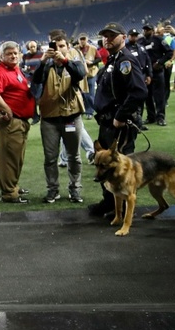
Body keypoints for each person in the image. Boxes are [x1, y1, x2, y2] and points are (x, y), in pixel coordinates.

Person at [87, 22, 147, 217]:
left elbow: (138, 91)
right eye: (105, 36)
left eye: (112, 35)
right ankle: (110, 203)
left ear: (123, 36)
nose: (108, 39)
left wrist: (121, 117)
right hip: (107, 122)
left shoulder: (125, 61)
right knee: (105, 166)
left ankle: (121, 210)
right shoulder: (113, 60)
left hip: (118, 124)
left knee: (120, 169)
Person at [32, 33, 86, 204]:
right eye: (55, 46)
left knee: (74, 156)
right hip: (50, 118)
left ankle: (75, 189)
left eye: (62, 46)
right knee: (50, 158)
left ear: (68, 47)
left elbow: (80, 74)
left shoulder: (74, 62)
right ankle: (52, 190)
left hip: (72, 115)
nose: (59, 49)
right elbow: (36, 81)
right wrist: (42, 62)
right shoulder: (46, 66)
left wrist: (64, 60)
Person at [0, 41, 35, 204]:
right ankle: (8, 192)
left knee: (15, 157)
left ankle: (12, 185)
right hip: (10, 122)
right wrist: (7, 109)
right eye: (9, 54)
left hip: (19, 121)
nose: (13, 56)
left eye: (15, 53)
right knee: (9, 158)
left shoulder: (15, 69)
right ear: (1, 56)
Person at [138, 24, 174, 126]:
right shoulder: (140, 42)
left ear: (152, 30)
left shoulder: (159, 40)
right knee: (147, 96)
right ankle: (151, 117)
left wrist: (160, 62)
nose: (146, 31)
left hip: (157, 72)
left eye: (148, 30)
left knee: (159, 96)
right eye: (144, 29)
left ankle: (161, 117)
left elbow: (169, 52)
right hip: (145, 73)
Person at [75, 33, 102, 119]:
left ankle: (91, 111)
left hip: (91, 73)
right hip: (81, 74)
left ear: (87, 39)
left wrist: (92, 62)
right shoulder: (75, 49)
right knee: (83, 94)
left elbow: (99, 58)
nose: (82, 41)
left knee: (90, 94)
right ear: (78, 40)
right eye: (81, 39)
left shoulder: (93, 48)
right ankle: (87, 109)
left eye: (84, 39)